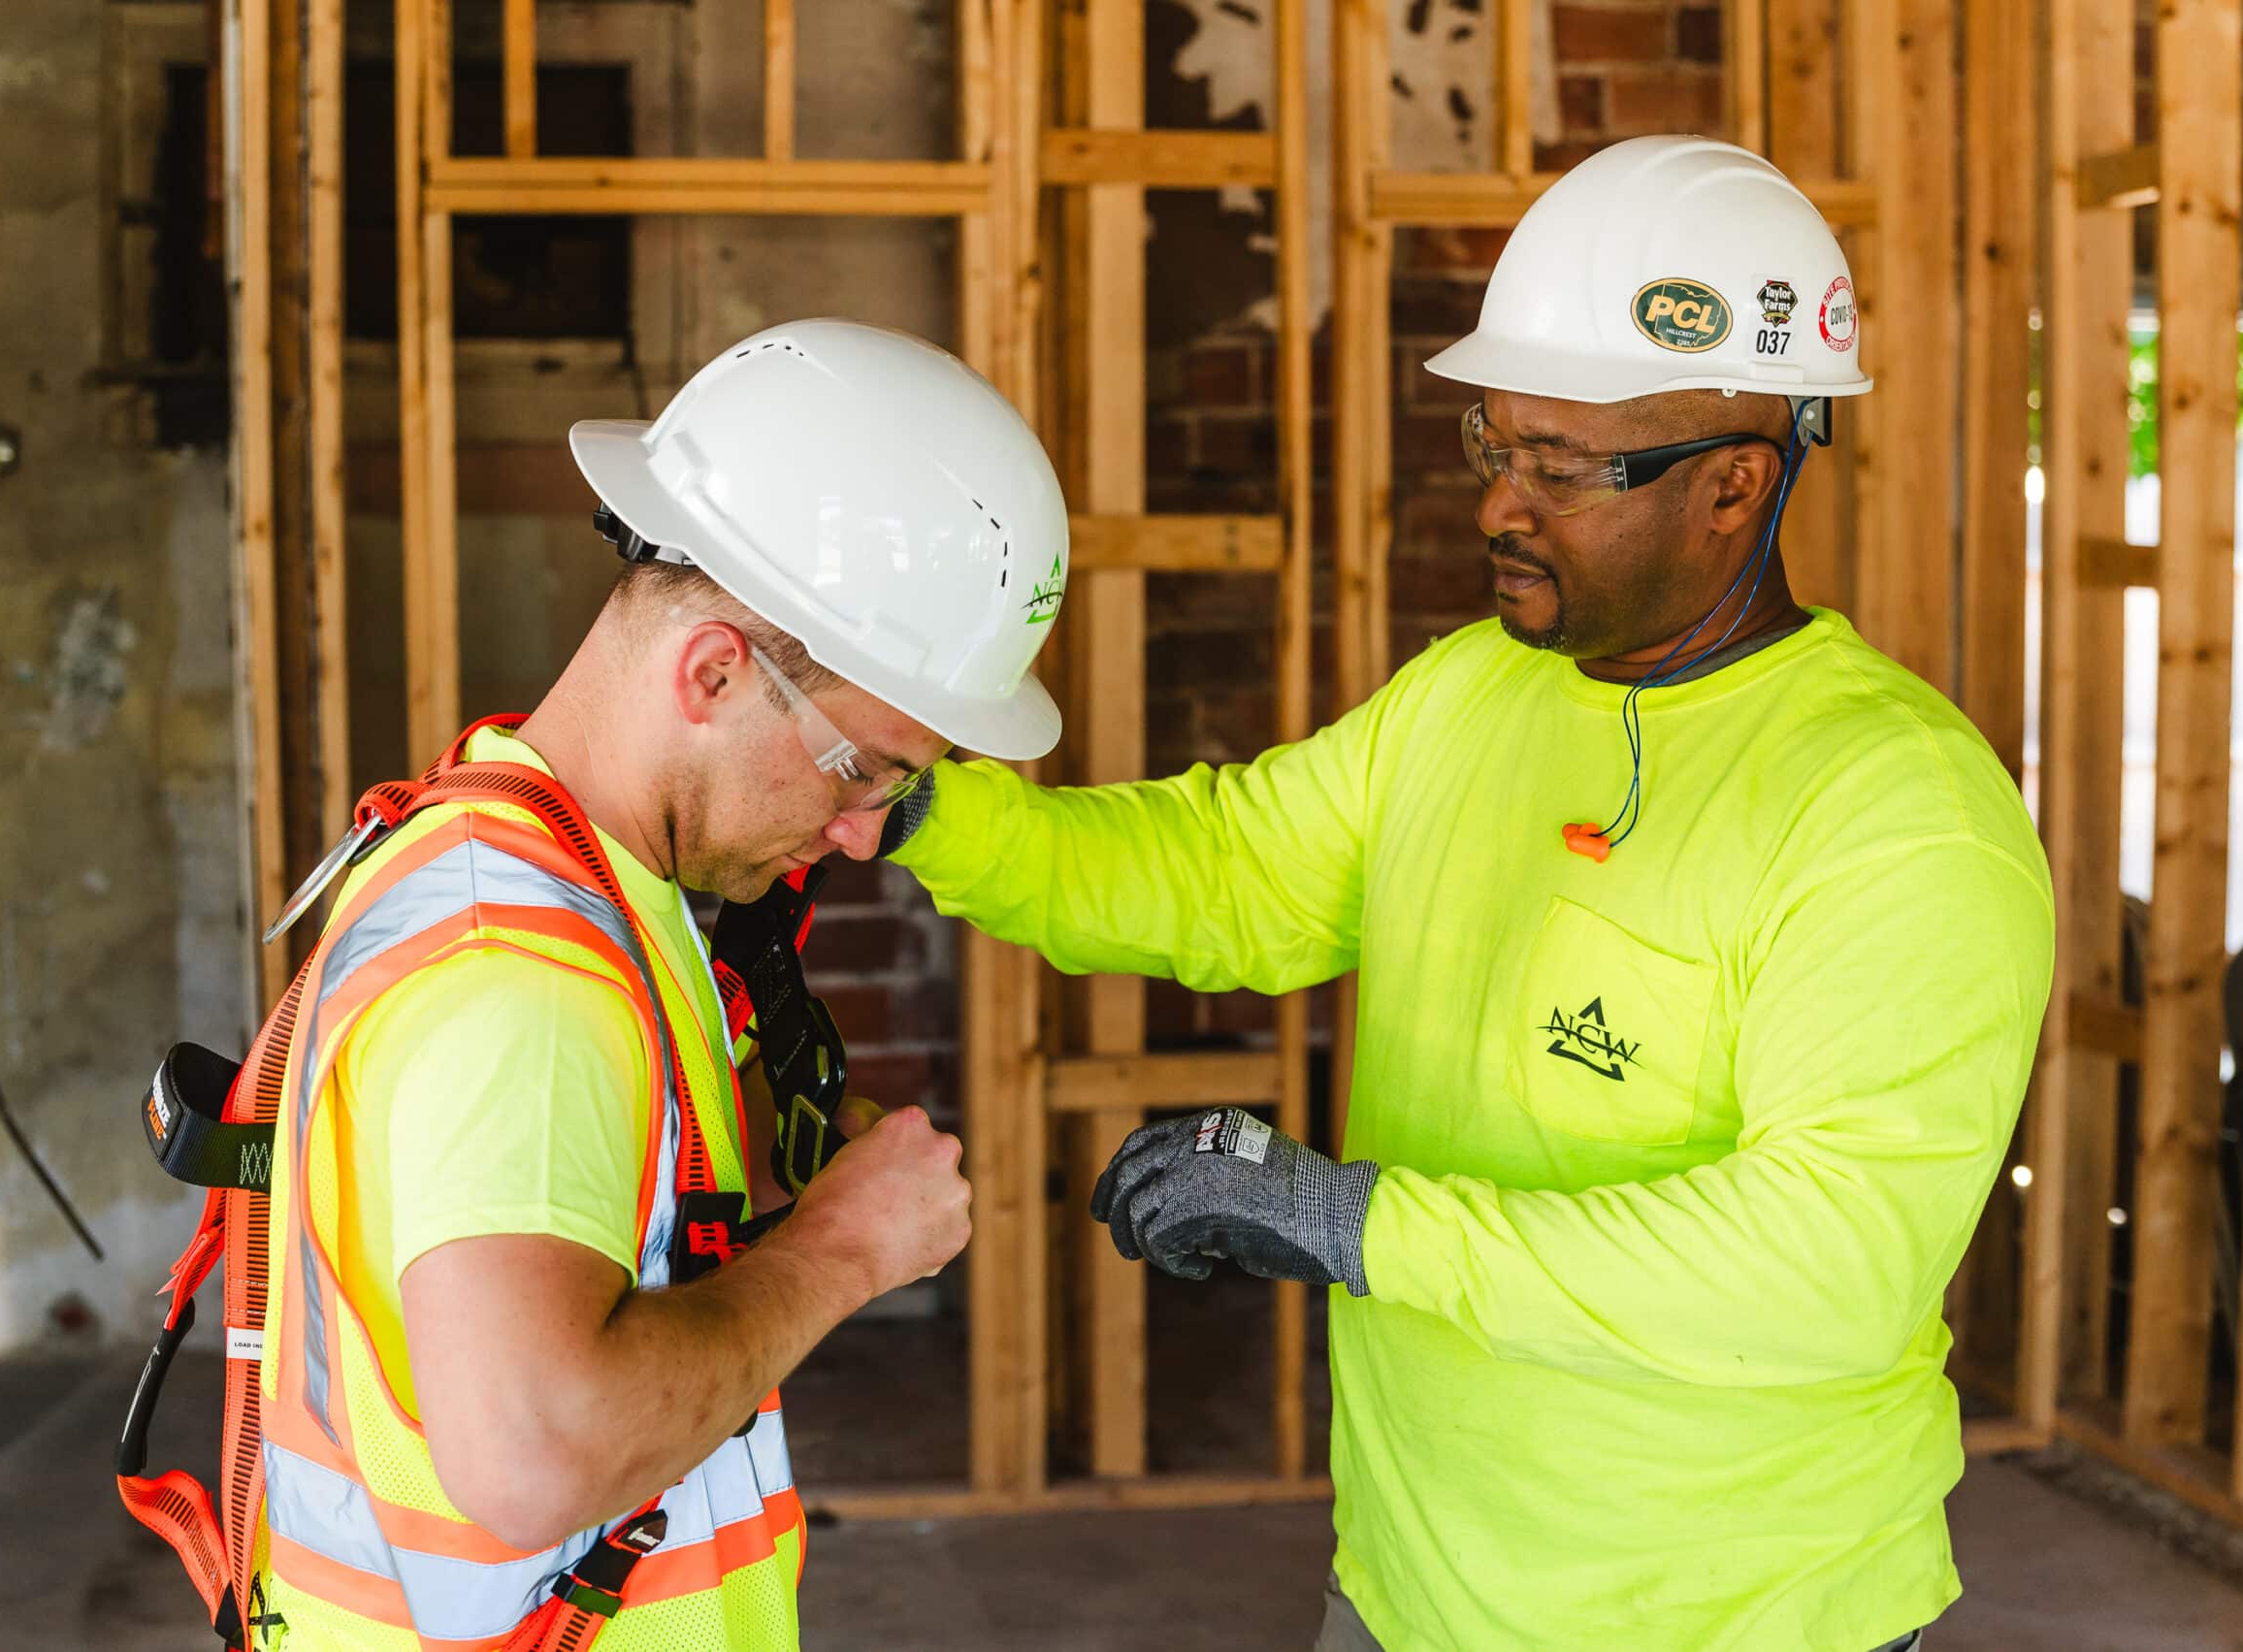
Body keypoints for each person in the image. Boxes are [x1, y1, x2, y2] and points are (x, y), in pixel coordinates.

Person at [877, 136, 2053, 1650]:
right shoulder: (1471, 699)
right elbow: (1227, 875)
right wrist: (916, 806)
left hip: (1738, 1617)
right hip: (1408, 1594)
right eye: (1494, 447)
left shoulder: (1895, 816)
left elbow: (1819, 1268)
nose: (1500, 505)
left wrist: (1355, 1224)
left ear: (1733, 486)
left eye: (1560, 468)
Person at [245, 319, 1068, 1650]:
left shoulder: (544, 869)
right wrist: (844, 1250)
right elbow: (537, 1455)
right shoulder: (521, 978)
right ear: (715, 671)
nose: (864, 832)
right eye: (864, 769)